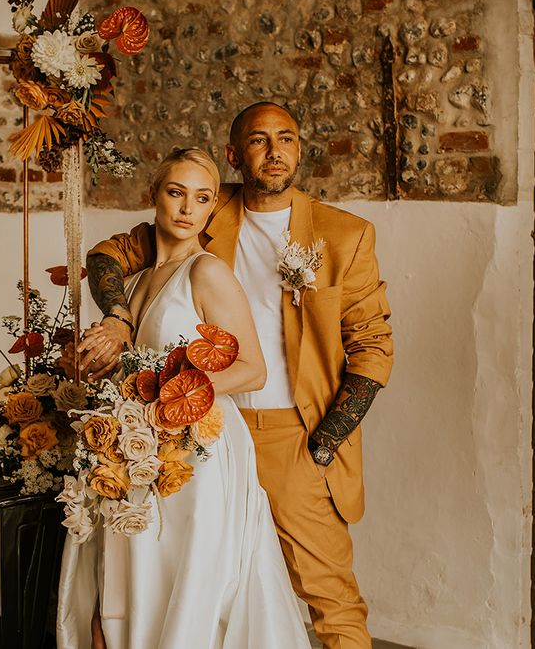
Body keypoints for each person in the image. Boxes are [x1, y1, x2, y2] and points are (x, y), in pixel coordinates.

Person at [81, 102, 394, 648]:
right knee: (197, 582)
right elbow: (107, 255)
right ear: (234, 154)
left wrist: (325, 441)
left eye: (287, 139)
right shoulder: (203, 205)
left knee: (328, 593)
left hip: (291, 433)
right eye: (258, 140)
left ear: (300, 148)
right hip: (196, 435)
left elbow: (372, 349)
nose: (274, 152)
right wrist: (118, 316)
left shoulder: (345, 235)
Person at [56, 148, 310, 649]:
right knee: (139, 573)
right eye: (176, 193)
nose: (186, 208)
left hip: (200, 452)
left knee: (190, 574)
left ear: (212, 207)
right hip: (142, 445)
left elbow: (252, 369)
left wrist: (175, 397)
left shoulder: (206, 272)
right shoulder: (136, 280)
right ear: (153, 196)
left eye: (201, 198)